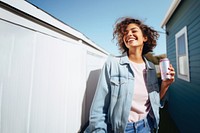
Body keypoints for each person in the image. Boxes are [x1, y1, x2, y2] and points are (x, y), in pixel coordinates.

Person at [84, 17, 175, 133]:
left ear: (145, 38)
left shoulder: (151, 67)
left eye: (133, 31)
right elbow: (99, 108)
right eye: (125, 33)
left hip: (147, 126)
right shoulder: (113, 63)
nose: (129, 34)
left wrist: (165, 85)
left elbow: (154, 101)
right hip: (121, 129)